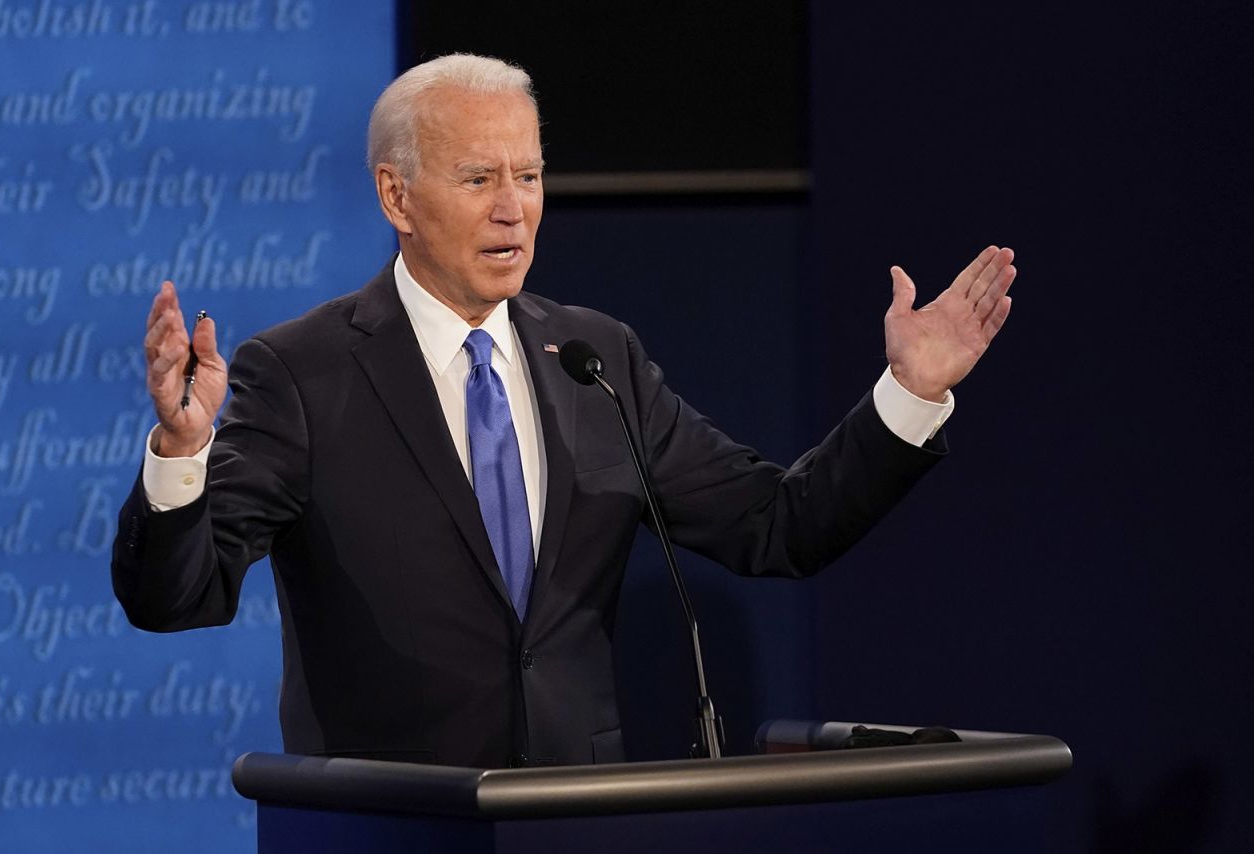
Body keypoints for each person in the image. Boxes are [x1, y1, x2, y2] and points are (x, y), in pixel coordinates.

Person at [113, 54, 1016, 769]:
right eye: (478, 180)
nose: (515, 209)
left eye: (530, 176)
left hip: (573, 821)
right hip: (393, 825)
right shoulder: (304, 371)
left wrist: (910, 394)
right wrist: (181, 452)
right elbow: (177, 597)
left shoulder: (595, 358)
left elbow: (779, 526)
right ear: (397, 197)